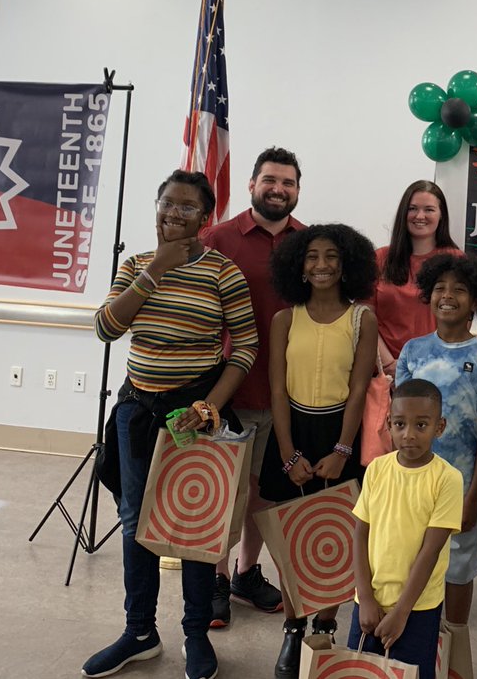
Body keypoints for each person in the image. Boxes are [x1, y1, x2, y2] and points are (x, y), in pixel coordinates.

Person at [85, 170, 258, 679]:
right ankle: (139, 632)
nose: (174, 213)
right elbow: (106, 328)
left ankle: (196, 633)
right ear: (155, 207)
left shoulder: (223, 272)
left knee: (195, 526)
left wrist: (209, 407)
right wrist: (155, 269)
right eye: (167, 203)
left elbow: (245, 346)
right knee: (137, 524)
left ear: (205, 219)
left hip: (195, 416)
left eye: (187, 207)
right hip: (138, 412)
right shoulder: (136, 264)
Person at [263, 224, 379, 679]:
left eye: (331, 256)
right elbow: (276, 387)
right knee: (293, 537)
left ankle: (325, 627)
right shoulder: (285, 319)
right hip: (292, 429)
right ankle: (293, 626)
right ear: (299, 265)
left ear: (347, 264)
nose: (322, 265)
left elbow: (357, 389)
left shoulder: (361, 319)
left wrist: (342, 449)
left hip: (339, 435)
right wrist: (289, 454)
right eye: (312, 256)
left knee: (337, 536)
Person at [200, 146, 305, 628]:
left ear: (298, 190)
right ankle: (217, 579)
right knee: (227, 492)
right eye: (270, 180)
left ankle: (246, 572)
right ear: (251, 184)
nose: (278, 189)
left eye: (287, 182)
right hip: (228, 390)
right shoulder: (217, 238)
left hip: (287, 395)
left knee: (265, 491)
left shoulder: (311, 244)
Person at [395, 254, 477, 632]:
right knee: (410, 555)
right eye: (440, 288)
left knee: (458, 566)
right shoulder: (413, 351)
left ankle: (456, 638)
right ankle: (414, 632)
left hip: (460, 485)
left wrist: (473, 495)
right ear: (428, 295)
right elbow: (397, 421)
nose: (448, 296)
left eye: (460, 290)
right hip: (411, 480)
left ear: (476, 301)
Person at [349, 378, 463, 679]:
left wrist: (401, 612)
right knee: (361, 672)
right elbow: (360, 534)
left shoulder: (447, 479)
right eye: (399, 424)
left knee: (410, 674)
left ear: (439, 427)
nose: (408, 434)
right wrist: (365, 597)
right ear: (388, 423)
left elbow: (430, 551)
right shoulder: (376, 469)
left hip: (417, 607)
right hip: (368, 602)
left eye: (421, 426)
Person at [373, 180, 463, 378]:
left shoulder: (455, 260)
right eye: (412, 209)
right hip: (385, 374)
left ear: (441, 216)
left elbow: (461, 320)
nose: (419, 216)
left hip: (439, 370)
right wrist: (390, 365)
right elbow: (364, 318)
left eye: (429, 209)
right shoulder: (379, 259)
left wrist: (428, 366)